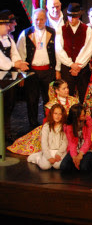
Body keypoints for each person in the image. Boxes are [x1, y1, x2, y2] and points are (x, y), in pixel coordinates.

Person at [55, 3, 92, 102]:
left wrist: (78, 66)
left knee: (82, 96)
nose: (71, 19)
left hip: (82, 69)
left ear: (79, 16)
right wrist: (71, 64)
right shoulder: (61, 30)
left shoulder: (87, 29)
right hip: (67, 68)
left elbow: (88, 49)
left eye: (74, 17)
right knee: (67, 95)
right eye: (69, 16)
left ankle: (82, 116)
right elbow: (59, 49)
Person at [0, 10, 28, 139]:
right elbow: (2, 61)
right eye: (6, 25)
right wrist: (14, 65)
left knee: (9, 104)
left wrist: (19, 62)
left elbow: (14, 53)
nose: (9, 27)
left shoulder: (9, 39)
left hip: (8, 78)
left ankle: (6, 131)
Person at [27, 103, 68, 170]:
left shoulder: (64, 126)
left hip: (60, 151)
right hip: (49, 150)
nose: (57, 116)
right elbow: (44, 143)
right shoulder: (47, 126)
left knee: (57, 166)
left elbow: (65, 142)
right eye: (55, 113)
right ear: (52, 114)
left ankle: (50, 158)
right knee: (45, 166)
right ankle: (38, 157)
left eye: (60, 114)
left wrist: (59, 154)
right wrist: (48, 157)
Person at [61, 104, 92, 173]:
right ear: (76, 116)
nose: (85, 115)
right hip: (76, 149)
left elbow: (88, 140)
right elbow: (72, 142)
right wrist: (74, 157)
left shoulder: (88, 120)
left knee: (84, 167)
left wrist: (80, 155)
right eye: (83, 115)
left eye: (85, 113)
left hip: (88, 149)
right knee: (63, 166)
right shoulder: (69, 125)